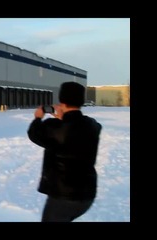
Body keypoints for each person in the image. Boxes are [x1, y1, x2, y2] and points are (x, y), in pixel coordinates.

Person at [27, 81, 102, 222]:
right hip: (87, 195)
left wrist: (38, 117)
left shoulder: (55, 128)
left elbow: (34, 133)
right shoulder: (92, 125)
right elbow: (76, 125)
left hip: (63, 197)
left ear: (62, 102)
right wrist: (65, 118)